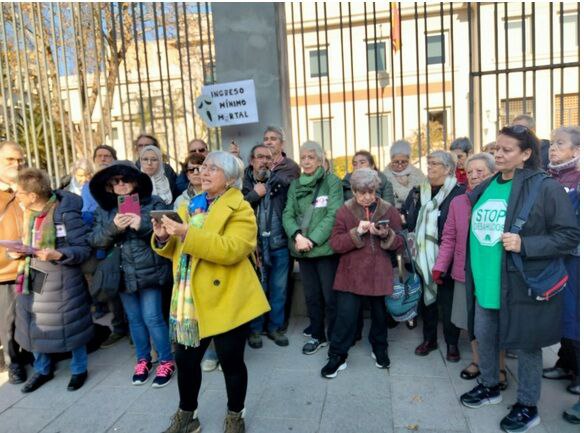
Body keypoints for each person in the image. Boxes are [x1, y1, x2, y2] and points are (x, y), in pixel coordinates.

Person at [459, 125, 579, 433]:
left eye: (507, 149)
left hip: (520, 283)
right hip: (485, 281)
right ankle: (489, 386)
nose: (498, 154)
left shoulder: (545, 187)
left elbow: (569, 235)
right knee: (484, 336)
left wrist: (526, 244)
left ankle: (528, 405)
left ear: (526, 154)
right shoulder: (486, 186)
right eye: (497, 148)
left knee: (527, 346)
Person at [152, 151, 270, 433]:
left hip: (228, 298)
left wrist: (185, 234)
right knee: (187, 361)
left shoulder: (240, 208)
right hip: (190, 300)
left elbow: (232, 250)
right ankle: (187, 414)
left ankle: (235, 415)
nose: (203, 172)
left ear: (229, 179)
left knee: (231, 362)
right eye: (203, 167)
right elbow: (174, 250)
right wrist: (162, 235)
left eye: (212, 169)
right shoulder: (191, 204)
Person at [89, 160, 175, 388]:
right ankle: (143, 360)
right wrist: (113, 228)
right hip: (122, 274)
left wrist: (143, 224)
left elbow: (167, 232)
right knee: (135, 321)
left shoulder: (152, 202)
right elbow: (95, 240)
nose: (121, 185)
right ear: (109, 186)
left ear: (135, 181)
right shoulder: (104, 210)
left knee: (153, 318)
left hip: (150, 272)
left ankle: (167, 360)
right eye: (115, 181)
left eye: (125, 179)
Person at [13, 168, 93, 393]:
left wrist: (58, 254)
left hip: (63, 276)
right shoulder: (28, 213)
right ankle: (42, 369)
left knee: (71, 323)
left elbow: (82, 249)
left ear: (32, 196)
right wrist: (19, 251)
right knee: (35, 320)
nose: (15, 195)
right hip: (35, 273)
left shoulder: (65, 212)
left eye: (19, 192)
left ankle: (79, 370)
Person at [432, 153, 507, 387]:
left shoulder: (504, 198)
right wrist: (440, 266)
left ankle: (501, 368)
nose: (474, 176)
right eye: (470, 172)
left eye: (480, 171)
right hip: (465, 273)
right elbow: (449, 237)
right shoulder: (458, 202)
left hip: (493, 273)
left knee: (495, 325)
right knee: (472, 322)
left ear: (493, 173)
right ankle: (477, 361)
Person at [321, 168, 403, 378]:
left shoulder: (388, 210)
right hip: (351, 273)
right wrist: (356, 232)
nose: (366, 197)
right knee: (345, 316)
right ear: (353, 191)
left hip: (379, 273)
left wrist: (386, 235)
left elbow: (401, 244)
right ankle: (337, 355)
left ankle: (380, 348)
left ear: (376, 189)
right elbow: (335, 244)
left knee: (379, 316)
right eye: (360, 192)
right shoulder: (344, 211)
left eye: (370, 191)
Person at [402, 150, 466, 360]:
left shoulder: (459, 193)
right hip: (422, 257)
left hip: (449, 257)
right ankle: (429, 340)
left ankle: (452, 343)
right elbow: (407, 220)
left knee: (448, 304)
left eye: (435, 164)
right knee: (427, 301)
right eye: (429, 163)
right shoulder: (418, 192)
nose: (430, 167)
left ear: (448, 168)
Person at [283, 141, 343, 355]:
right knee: (311, 297)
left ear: (320, 160)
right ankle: (318, 335)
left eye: (311, 157)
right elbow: (287, 213)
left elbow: (333, 214)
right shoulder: (295, 184)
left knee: (330, 297)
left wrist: (313, 240)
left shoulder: (332, 182)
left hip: (324, 250)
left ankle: (336, 339)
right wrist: (298, 237)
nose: (306, 161)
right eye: (303, 157)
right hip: (302, 248)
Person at [243, 144, 292, 348]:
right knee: (256, 290)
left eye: (268, 157)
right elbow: (235, 210)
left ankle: (275, 328)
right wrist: (255, 194)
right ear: (252, 161)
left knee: (278, 290)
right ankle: (255, 330)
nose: (264, 160)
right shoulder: (241, 185)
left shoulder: (281, 183)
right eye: (260, 157)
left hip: (278, 243)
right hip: (254, 248)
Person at [543, 126, 580, 395]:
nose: (553, 148)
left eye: (560, 143)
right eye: (553, 143)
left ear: (576, 151)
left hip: (573, 258)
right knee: (560, 312)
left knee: (574, 314)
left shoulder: (577, 180)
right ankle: (566, 362)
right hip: (553, 255)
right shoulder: (550, 177)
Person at [0, 141, 28, 385]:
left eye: (19, 160)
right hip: (5, 270)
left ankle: (31, 353)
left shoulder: (27, 188)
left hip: (32, 264)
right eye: (10, 159)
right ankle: (14, 364)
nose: (16, 164)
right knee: (7, 321)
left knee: (31, 312)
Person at [382, 140, 426, 210]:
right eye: (396, 162)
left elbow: (425, 195)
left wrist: (406, 185)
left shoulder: (418, 174)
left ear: (409, 159)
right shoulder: (384, 177)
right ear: (391, 159)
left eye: (404, 162)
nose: (400, 165)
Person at [134, 133, 179, 199]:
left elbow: (175, 192)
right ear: (136, 149)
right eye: (140, 146)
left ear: (156, 148)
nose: (144, 148)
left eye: (147, 145)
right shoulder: (132, 169)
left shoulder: (166, 169)